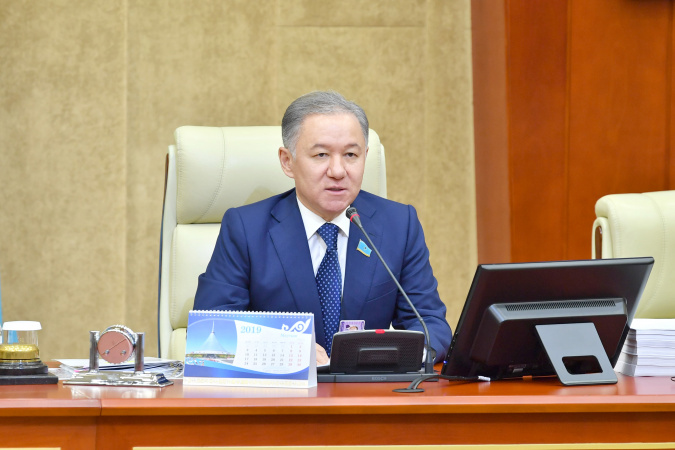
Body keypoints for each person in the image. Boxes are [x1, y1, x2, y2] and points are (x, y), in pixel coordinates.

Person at [193, 91, 452, 364]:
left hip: (367, 388)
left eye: (351, 154)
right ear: (287, 161)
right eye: (321, 155)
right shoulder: (246, 229)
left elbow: (430, 323)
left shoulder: (399, 225)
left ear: (365, 157)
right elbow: (210, 331)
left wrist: (401, 355)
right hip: (283, 388)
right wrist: (288, 350)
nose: (338, 171)